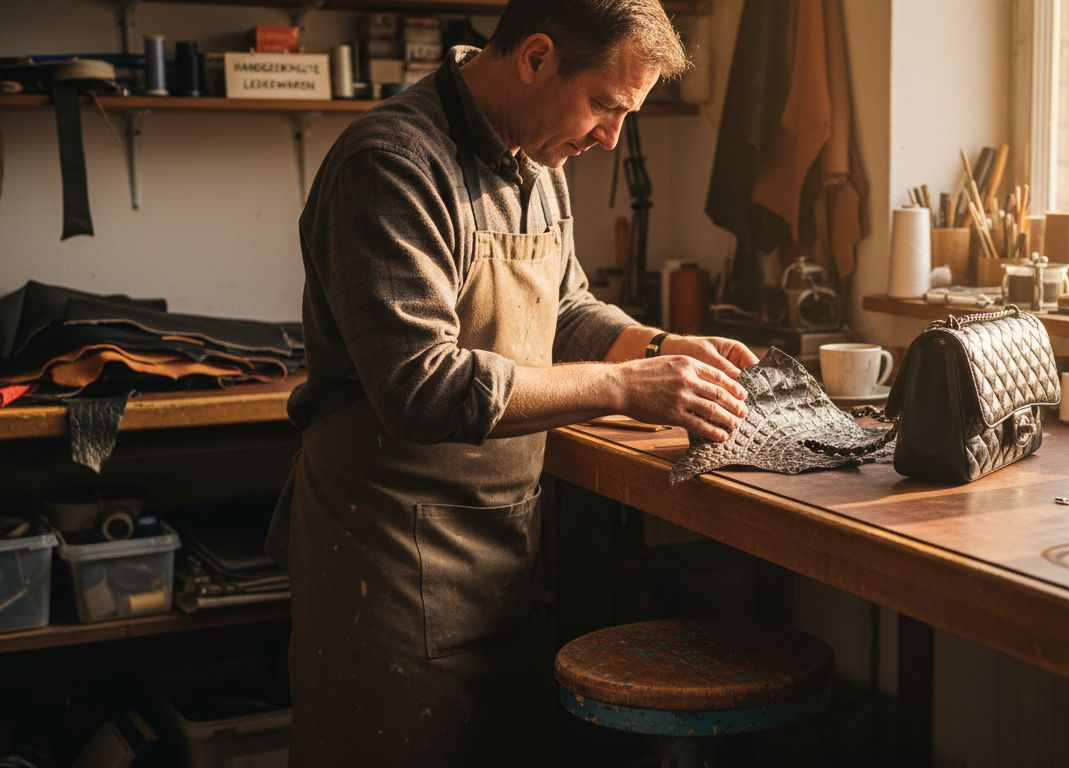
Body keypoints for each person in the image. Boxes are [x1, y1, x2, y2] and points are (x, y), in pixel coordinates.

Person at [263, 0, 759, 764]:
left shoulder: (536, 158)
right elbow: (421, 387)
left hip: (499, 549)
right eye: (603, 104)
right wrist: (628, 389)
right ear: (534, 57)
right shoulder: (392, 162)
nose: (609, 136)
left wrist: (658, 345)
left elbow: (564, 307)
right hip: (386, 561)